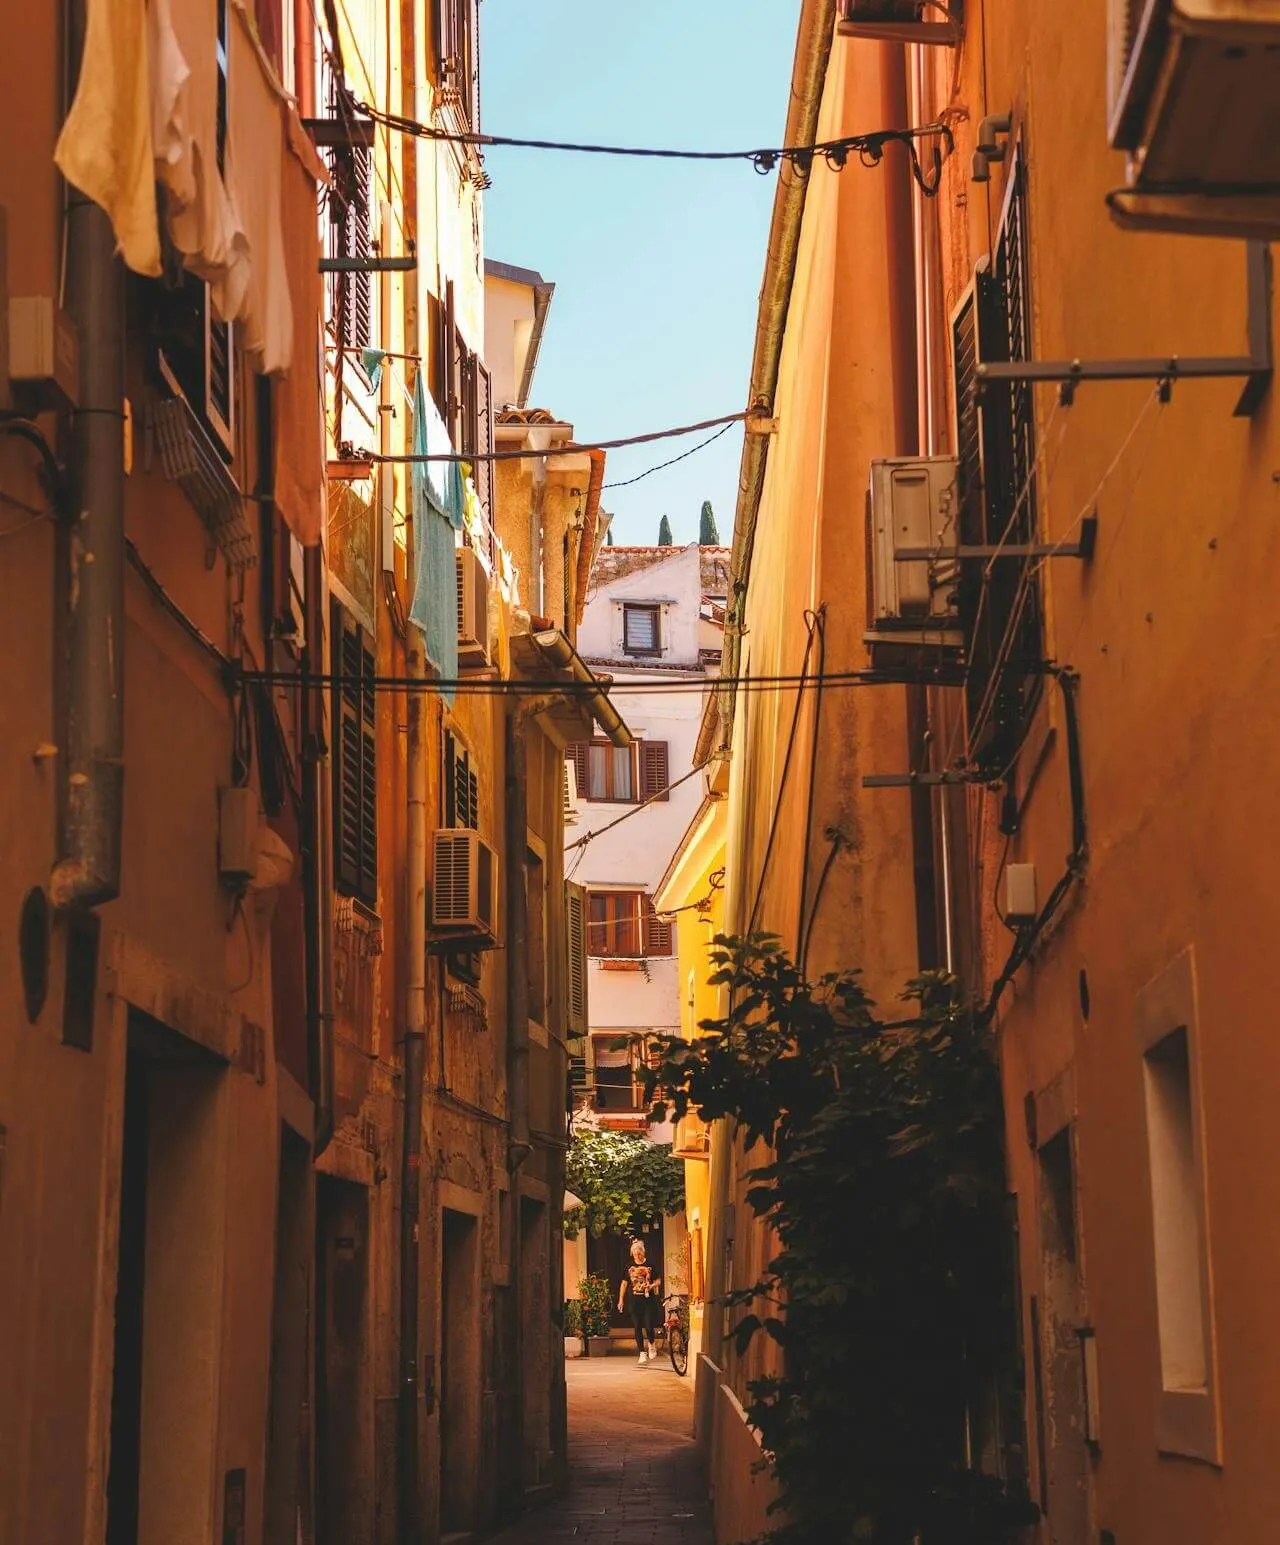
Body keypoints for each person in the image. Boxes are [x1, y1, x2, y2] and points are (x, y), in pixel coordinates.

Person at [618, 1238, 661, 1366]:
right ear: (632, 1253)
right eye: (635, 1252)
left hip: (648, 1301)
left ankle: (652, 1344)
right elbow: (624, 1283)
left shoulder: (650, 1265)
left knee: (648, 1325)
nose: (637, 1254)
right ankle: (642, 1353)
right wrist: (621, 1300)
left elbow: (658, 1280)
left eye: (639, 1252)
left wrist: (652, 1286)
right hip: (633, 1301)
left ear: (643, 1251)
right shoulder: (629, 1266)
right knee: (637, 1327)